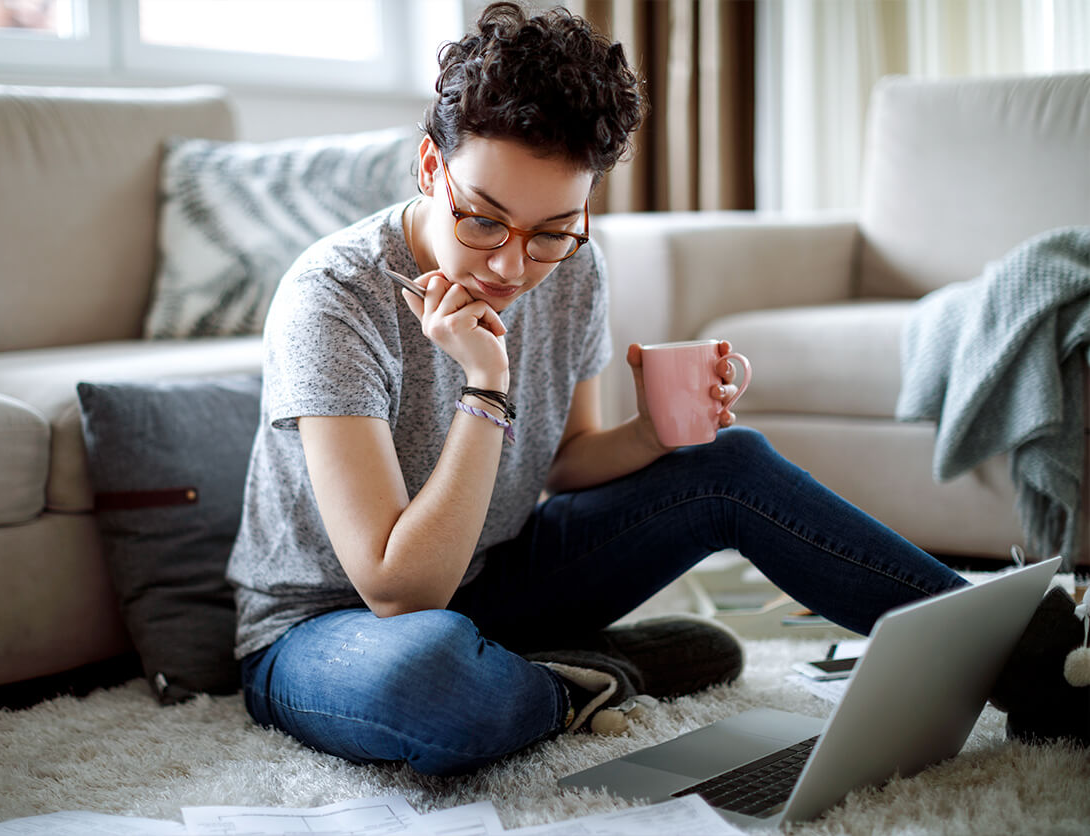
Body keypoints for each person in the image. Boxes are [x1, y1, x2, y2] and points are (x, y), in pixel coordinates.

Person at [228, 3, 1082, 776]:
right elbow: (397, 590)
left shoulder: (573, 270)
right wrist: (486, 388)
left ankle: (1033, 657)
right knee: (437, 686)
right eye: (482, 217)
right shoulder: (334, 296)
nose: (510, 265)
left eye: (553, 231)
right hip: (329, 628)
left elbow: (564, 464)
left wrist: (658, 437)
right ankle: (600, 672)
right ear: (429, 165)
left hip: (495, 579)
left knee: (731, 462)